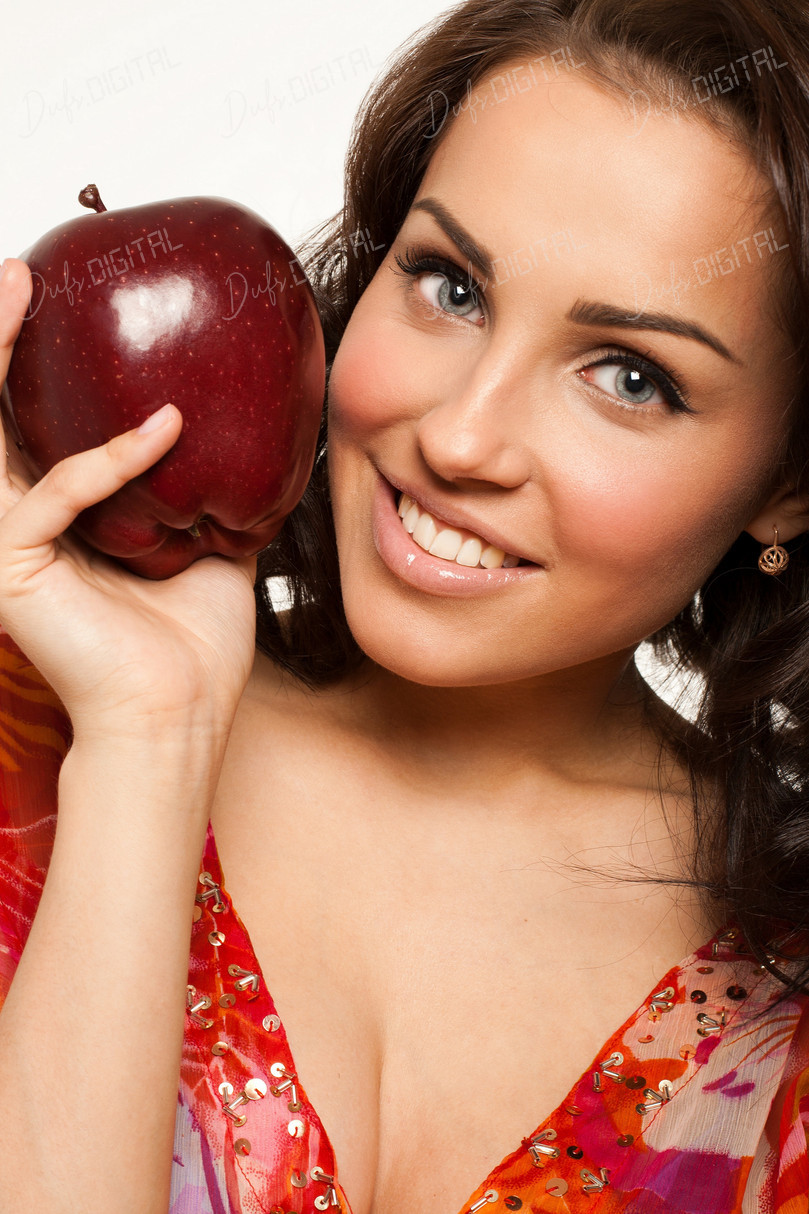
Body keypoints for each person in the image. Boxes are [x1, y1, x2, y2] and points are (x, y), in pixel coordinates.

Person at [1, 0, 809, 1210]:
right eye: (449, 286)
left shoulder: (785, 1001)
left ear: (787, 483)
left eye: (629, 376)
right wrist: (145, 744)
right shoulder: (28, 743)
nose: (458, 434)